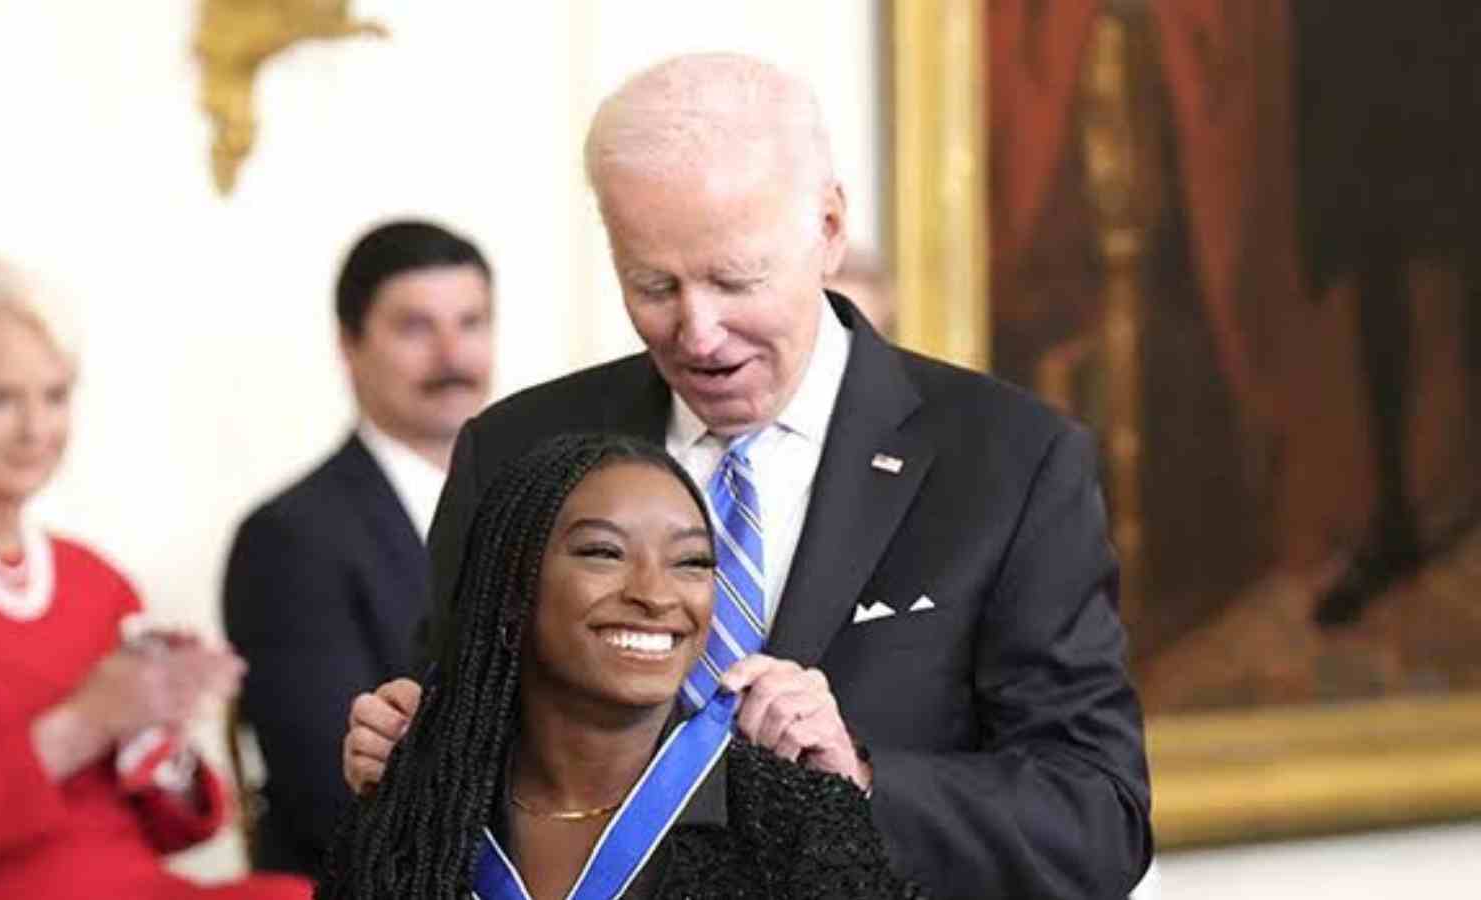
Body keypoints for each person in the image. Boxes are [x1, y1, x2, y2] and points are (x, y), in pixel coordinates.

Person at [345, 53, 1152, 900]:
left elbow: (1098, 818)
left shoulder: (1011, 461)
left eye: (736, 280)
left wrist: (863, 783)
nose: (698, 333)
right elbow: (461, 731)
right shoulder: (515, 450)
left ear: (829, 228)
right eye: (653, 284)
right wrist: (402, 759)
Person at [319, 432, 922, 899]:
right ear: (514, 587)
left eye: (691, 562)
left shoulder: (792, 822)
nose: (657, 596)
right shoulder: (411, 816)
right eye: (603, 553)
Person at [0, 256, 311, 900]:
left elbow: (175, 830)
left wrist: (162, 738)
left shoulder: (96, 581)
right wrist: (81, 723)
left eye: (54, 396)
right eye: (1, 399)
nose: (35, 429)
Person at [223, 220, 494, 877]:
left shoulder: (536, 507)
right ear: (349, 344)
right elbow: (329, 790)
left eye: (471, 322)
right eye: (415, 328)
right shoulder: (290, 537)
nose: (451, 355)